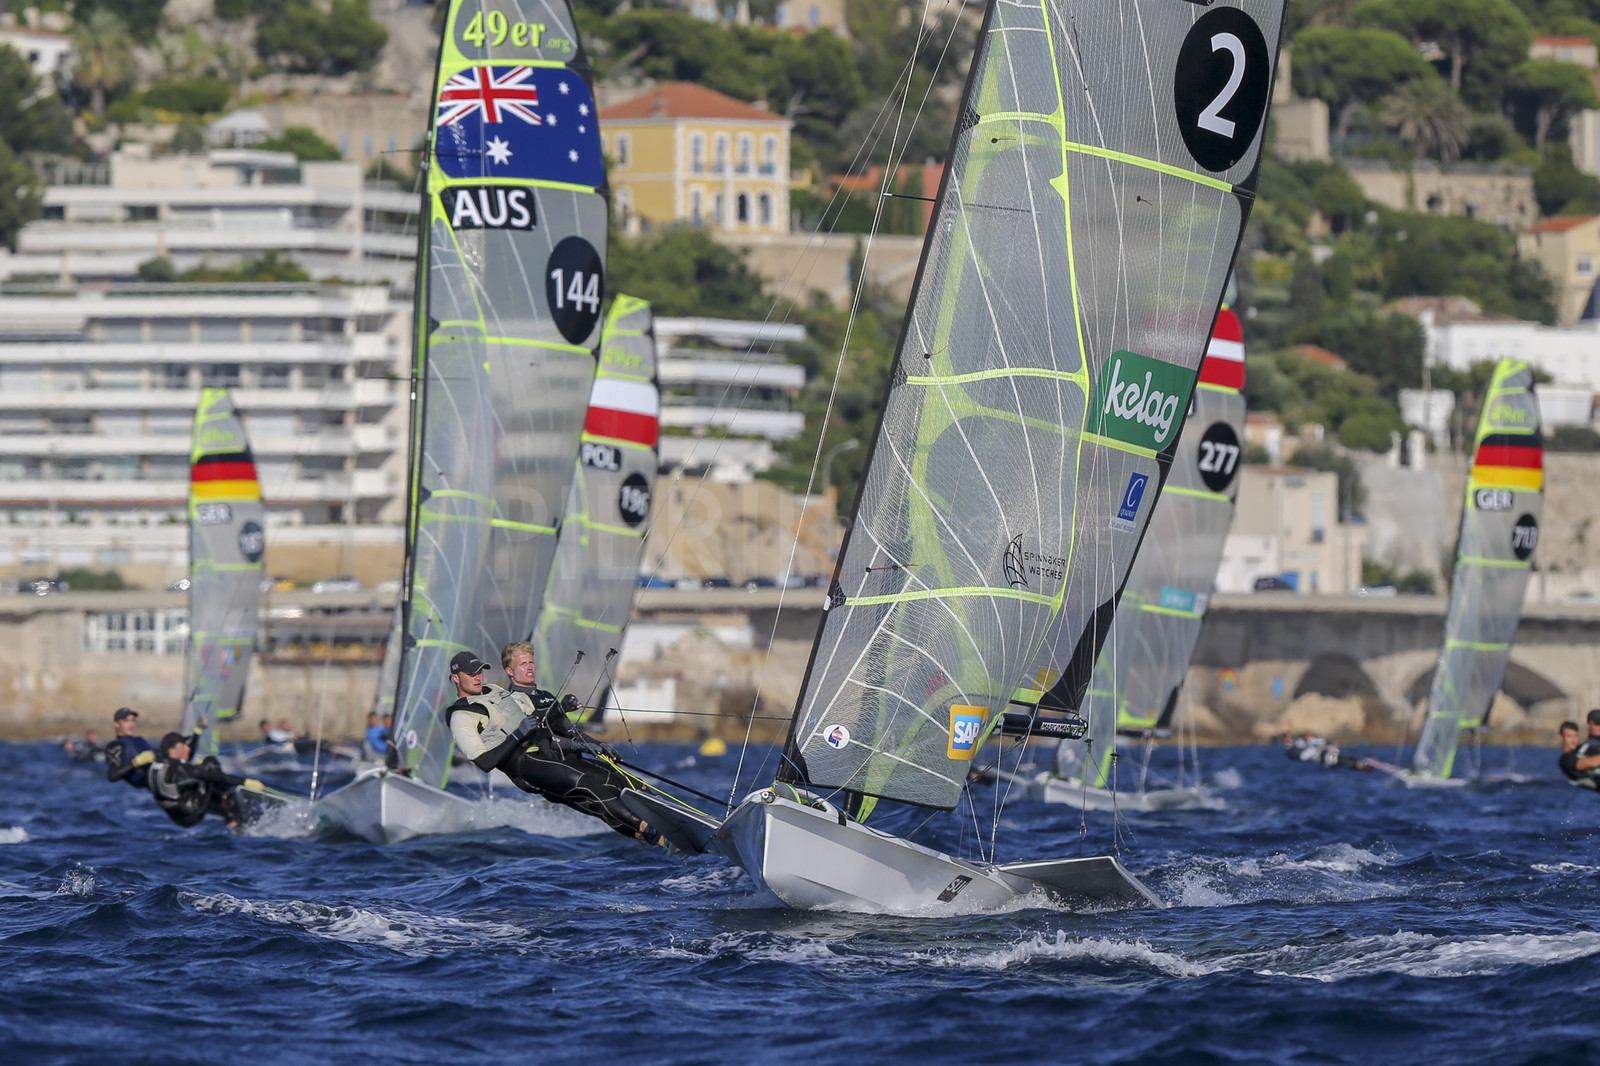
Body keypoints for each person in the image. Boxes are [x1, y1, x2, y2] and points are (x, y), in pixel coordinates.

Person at [442, 649, 661, 846]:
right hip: (525, 765)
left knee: (614, 777)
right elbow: (484, 762)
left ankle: (662, 821)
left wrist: (561, 710)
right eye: (471, 674)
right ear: (456, 678)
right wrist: (517, 734)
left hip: (546, 752)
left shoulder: (495, 690)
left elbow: (540, 722)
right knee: (589, 784)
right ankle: (648, 829)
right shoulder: (461, 716)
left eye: (480, 671)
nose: (478, 677)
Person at [146, 732, 261, 828]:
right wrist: (244, 782)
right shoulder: (179, 769)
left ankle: (228, 812)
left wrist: (196, 732)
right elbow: (218, 777)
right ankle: (236, 819)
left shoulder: (155, 766)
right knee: (210, 763)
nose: (187, 748)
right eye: (183, 746)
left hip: (177, 815)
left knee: (201, 780)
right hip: (191, 813)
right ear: (172, 750)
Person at [104, 708, 155, 789]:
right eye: (126, 720)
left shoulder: (140, 740)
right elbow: (112, 776)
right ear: (116, 724)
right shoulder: (115, 745)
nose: (131, 724)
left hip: (159, 774)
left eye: (133, 720)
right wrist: (136, 762)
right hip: (147, 781)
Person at [1559, 719, 1600, 790]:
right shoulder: (1566, 759)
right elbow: (1594, 763)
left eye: (1575, 736)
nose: (1573, 740)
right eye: (1569, 736)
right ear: (1561, 737)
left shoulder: (1583, 749)